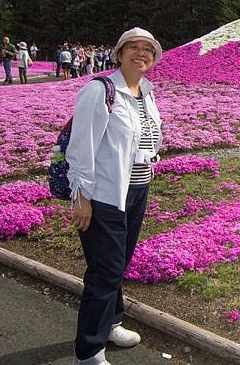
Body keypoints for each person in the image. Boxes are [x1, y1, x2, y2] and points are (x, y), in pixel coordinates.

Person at [67, 27, 163, 365]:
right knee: (104, 270)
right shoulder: (100, 90)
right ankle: (89, 351)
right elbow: (81, 147)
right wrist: (82, 197)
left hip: (135, 191)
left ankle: (111, 322)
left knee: (117, 263)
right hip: (104, 195)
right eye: (133, 48)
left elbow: (148, 139)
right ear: (119, 53)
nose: (141, 54)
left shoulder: (145, 92)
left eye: (147, 50)